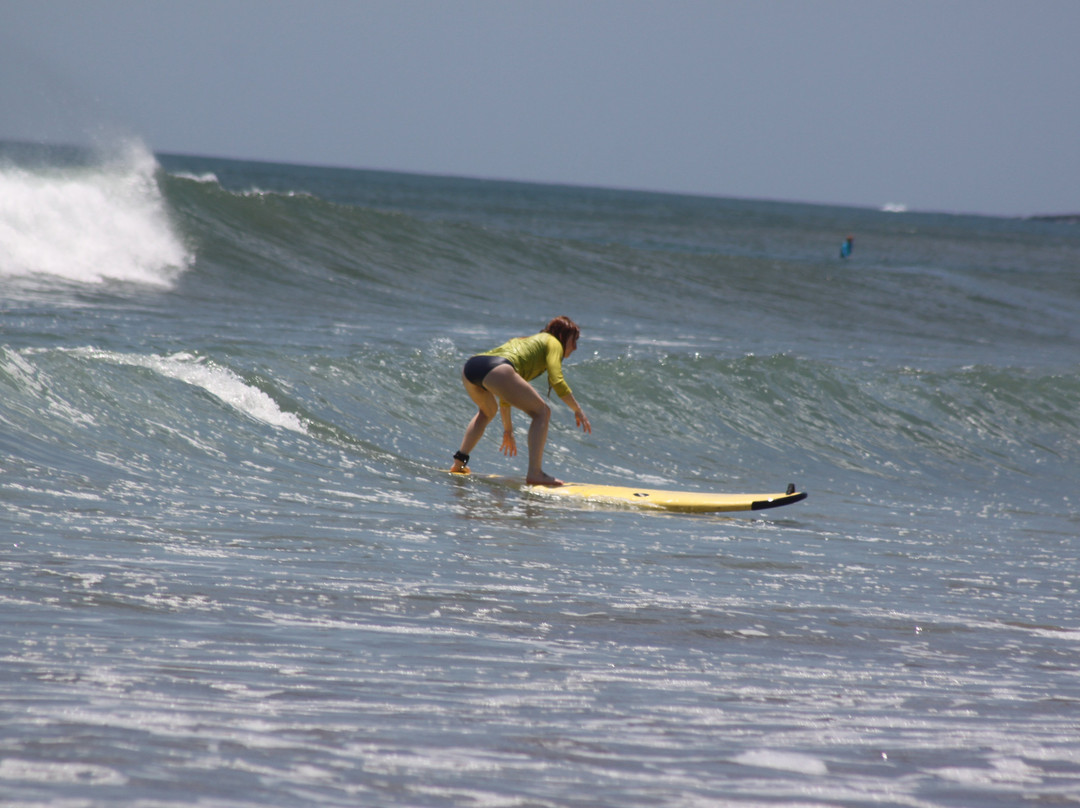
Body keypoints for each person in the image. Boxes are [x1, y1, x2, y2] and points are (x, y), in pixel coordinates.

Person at [450, 316, 591, 486]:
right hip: (498, 368)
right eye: (574, 340)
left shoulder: (528, 342)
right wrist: (577, 409)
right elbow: (557, 379)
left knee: (487, 412)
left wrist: (508, 430)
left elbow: (505, 394)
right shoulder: (553, 342)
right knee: (542, 412)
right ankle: (535, 473)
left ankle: (459, 462)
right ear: (562, 336)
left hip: (472, 366)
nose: (575, 347)